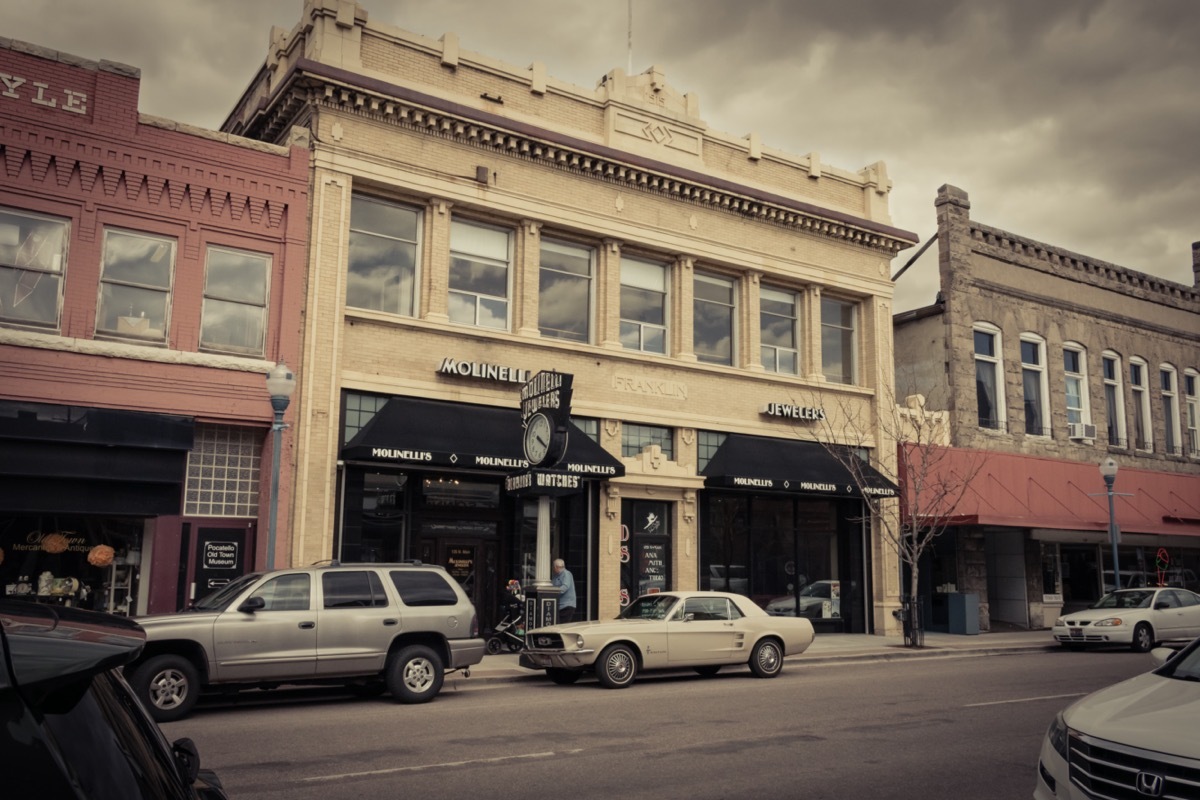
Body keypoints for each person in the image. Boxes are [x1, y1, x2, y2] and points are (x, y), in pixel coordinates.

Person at [552, 558, 576, 623]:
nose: (553, 569)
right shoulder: (555, 576)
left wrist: (553, 593)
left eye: (553, 567)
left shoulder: (566, 574)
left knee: (562, 626)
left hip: (566, 606)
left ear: (556, 567)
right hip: (559, 606)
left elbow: (565, 587)